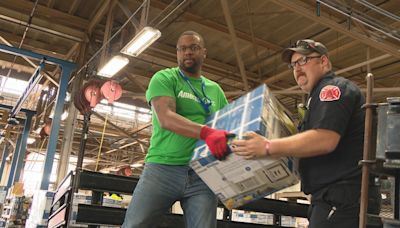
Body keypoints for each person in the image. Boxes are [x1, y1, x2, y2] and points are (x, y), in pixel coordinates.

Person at [231, 39, 381, 228]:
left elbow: (324, 139)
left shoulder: (331, 90)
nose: (297, 69)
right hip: (333, 198)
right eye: (293, 64)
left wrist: (268, 146)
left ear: (324, 61)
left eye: (304, 61)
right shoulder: (315, 100)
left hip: (343, 197)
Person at [122, 31, 230, 228]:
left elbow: (226, 126)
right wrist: (207, 132)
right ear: (177, 53)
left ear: (204, 52)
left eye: (193, 48)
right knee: (135, 225)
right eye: (182, 49)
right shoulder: (164, 78)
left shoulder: (216, 91)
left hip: (203, 174)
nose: (187, 52)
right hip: (162, 169)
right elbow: (166, 118)